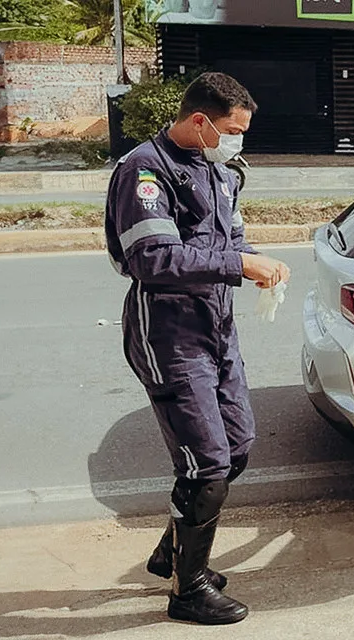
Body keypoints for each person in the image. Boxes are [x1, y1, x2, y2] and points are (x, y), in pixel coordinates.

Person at [104, 72, 291, 625]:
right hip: (168, 331)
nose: (238, 141)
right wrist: (238, 266)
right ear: (200, 121)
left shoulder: (218, 170)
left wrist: (255, 261)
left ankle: (177, 551)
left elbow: (229, 238)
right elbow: (151, 259)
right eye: (231, 130)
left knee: (237, 447)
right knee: (207, 464)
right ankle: (189, 591)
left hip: (216, 326)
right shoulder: (145, 170)